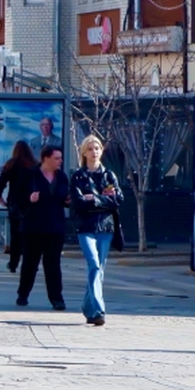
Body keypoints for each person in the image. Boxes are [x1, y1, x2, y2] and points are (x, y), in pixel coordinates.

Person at [70, 135, 123, 326]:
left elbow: (118, 199)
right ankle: (99, 310)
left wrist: (94, 198)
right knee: (93, 264)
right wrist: (101, 200)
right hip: (86, 227)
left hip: (106, 227)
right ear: (84, 152)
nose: (94, 152)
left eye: (97, 148)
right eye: (90, 149)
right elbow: (78, 202)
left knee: (99, 268)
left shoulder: (109, 175)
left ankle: (88, 307)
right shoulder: (78, 176)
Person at [16, 145, 69, 311]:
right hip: (33, 227)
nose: (60, 161)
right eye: (56, 158)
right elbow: (17, 199)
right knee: (30, 263)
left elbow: (64, 196)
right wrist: (29, 199)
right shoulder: (30, 175)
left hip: (55, 227)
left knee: (53, 263)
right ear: (46, 158)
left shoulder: (61, 177)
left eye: (61, 158)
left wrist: (68, 201)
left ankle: (56, 299)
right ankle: (23, 294)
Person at [0, 141, 37, 273]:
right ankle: (31, 264)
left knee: (15, 235)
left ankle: (13, 263)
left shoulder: (11, 164)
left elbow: (2, 182)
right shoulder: (34, 165)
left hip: (15, 203)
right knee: (30, 236)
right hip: (31, 203)